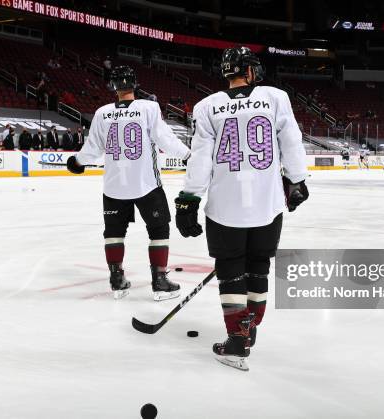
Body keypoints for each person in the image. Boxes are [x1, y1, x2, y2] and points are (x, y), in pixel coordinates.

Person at [173, 46, 308, 371]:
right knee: (258, 267)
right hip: (268, 203)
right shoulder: (275, 97)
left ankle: (236, 340)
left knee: (231, 270)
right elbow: (292, 141)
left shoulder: (207, 106)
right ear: (249, 71)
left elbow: (201, 157)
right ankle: (251, 326)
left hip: (225, 206)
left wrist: (189, 198)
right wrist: (297, 180)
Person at [67, 65, 191, 301]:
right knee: (158, 229)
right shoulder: (149, 107)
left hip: (114, 186)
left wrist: (77, 162)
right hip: (146, 184)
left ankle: (116, 279)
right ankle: (159, 280)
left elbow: (92, 149)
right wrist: (188, 155)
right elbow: (165, 138)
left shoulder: (102, 112)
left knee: (114, 232)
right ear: (134, 84)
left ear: (112, 86)